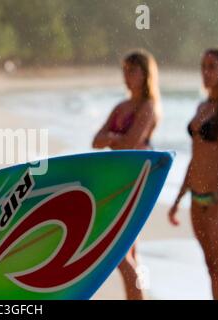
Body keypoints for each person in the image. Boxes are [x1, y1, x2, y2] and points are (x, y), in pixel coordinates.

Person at [92, 50, 162, 300]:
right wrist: (113, 139)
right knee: (129, 251)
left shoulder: (148, 106)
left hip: (136, 185)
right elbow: (96, 141)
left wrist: (112, 138)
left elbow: (132, 142)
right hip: (116, 182)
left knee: (117, 250)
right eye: (124, 69)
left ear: (145, 74)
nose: (127, 75)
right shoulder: (120, 106)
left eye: (132, 70)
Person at [169, 48, 218, 300]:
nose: (206, 72)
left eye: (212, 66)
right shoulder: (202, 106)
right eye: (203, 66)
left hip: (215, 201)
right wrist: (178, 199)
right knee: (211, 267)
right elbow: (196, 157)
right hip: (195, 199)